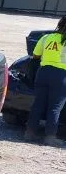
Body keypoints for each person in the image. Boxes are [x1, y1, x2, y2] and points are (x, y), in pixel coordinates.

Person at [25, 15, 66, 146]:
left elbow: (36, 55)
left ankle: (29, 133)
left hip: (42, 73)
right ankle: (50, 137)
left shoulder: (46, 37)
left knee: (38, 104)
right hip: (61, 76)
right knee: (55, 107)